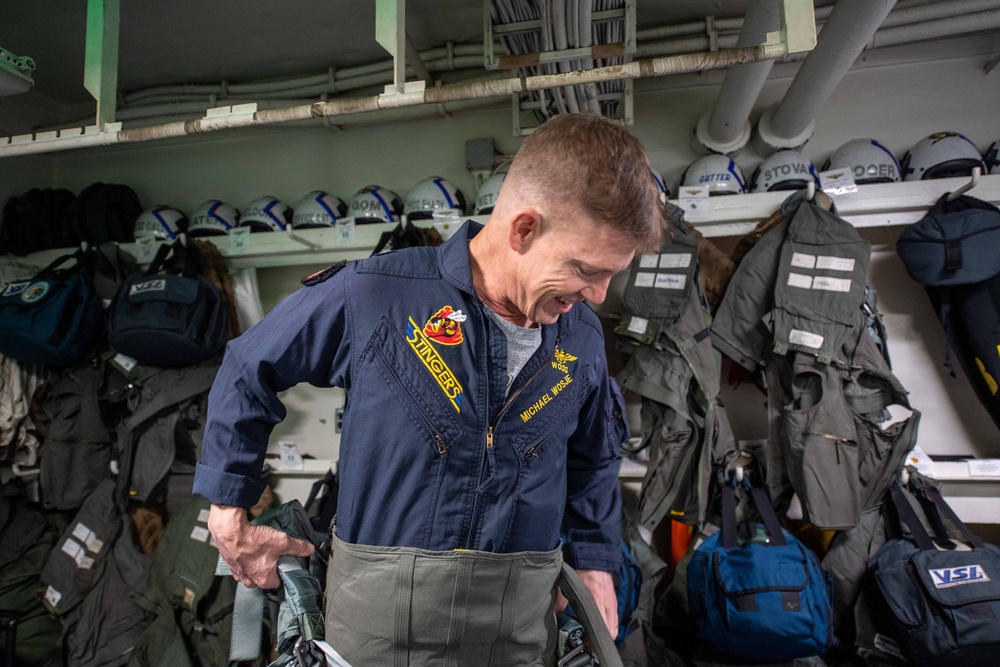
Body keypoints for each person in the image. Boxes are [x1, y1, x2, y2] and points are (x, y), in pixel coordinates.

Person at [194, 112, 665, 665]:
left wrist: (595, 564)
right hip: (376, 634)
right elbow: (250, 365)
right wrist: (229, 511)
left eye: (613, 273)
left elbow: (592, 463)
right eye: (587, 269)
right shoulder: (377, 296)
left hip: (517, 634)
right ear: (523, 229)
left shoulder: (581, 336)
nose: (601, 295)